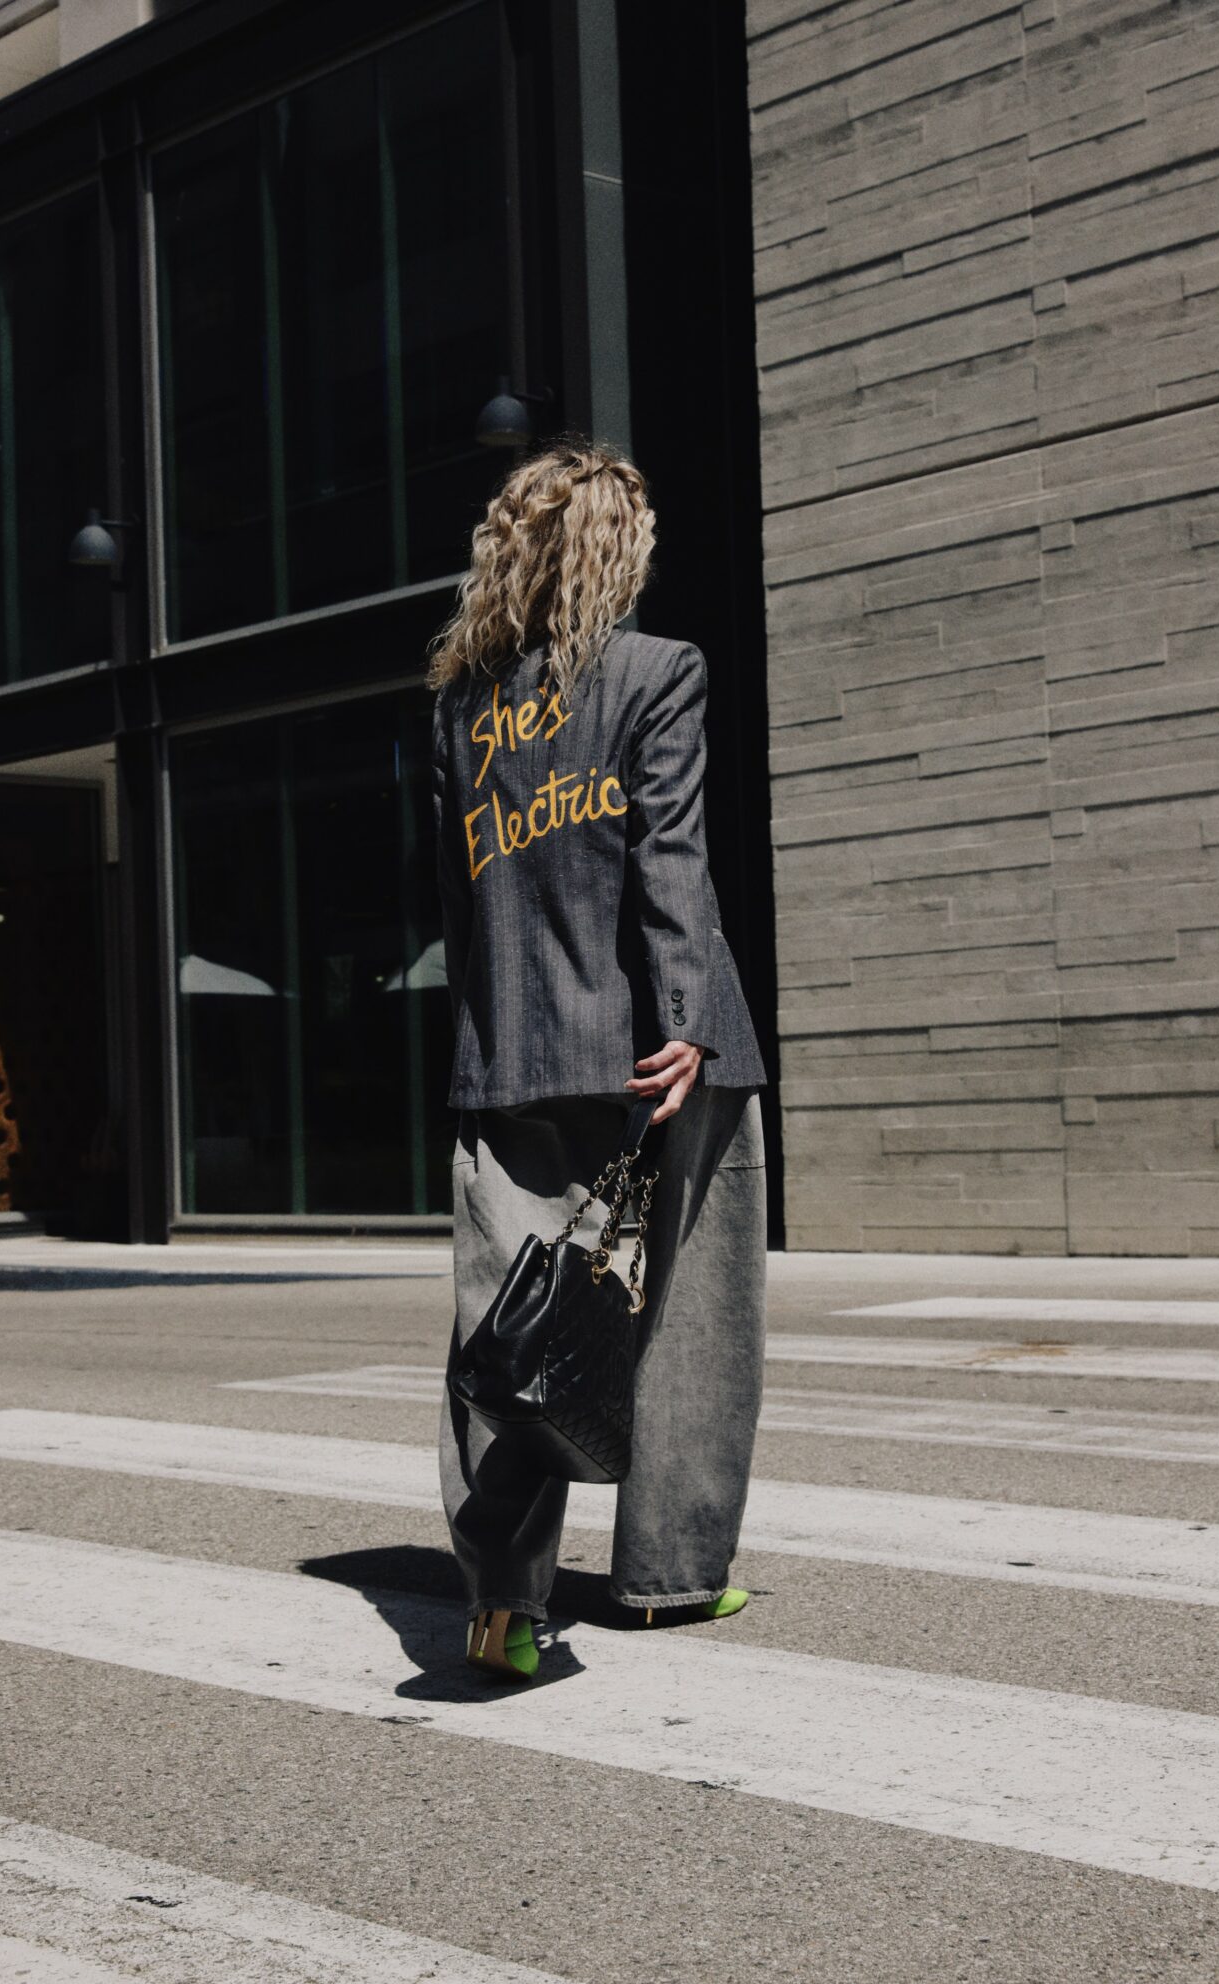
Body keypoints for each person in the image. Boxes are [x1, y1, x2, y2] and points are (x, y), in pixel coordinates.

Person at [426, 434, 769, 1681]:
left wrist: (485, 1030)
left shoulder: (463, 709)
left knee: (502, 1332)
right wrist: (683, 1017)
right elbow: (670, 857)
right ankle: (671, 1574)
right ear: (617, 555)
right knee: (686, 1317)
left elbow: (464, 913)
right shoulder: (655, 672)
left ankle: (501, 1606)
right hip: (658, 1051)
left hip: (512, 1047)